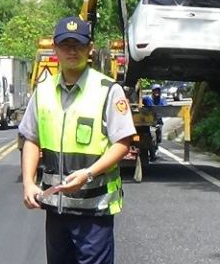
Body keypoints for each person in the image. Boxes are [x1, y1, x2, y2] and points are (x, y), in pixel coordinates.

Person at [19, 16, 136, 264]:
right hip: (55, 208)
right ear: (55, 48)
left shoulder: (108, 90)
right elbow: (31, 138)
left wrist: (89, 174)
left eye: (79, 45)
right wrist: (28, 183)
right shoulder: (44, 90)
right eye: (65, 45)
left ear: (90, 49)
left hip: (94, 211)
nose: (72, 51)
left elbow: (122, 142)